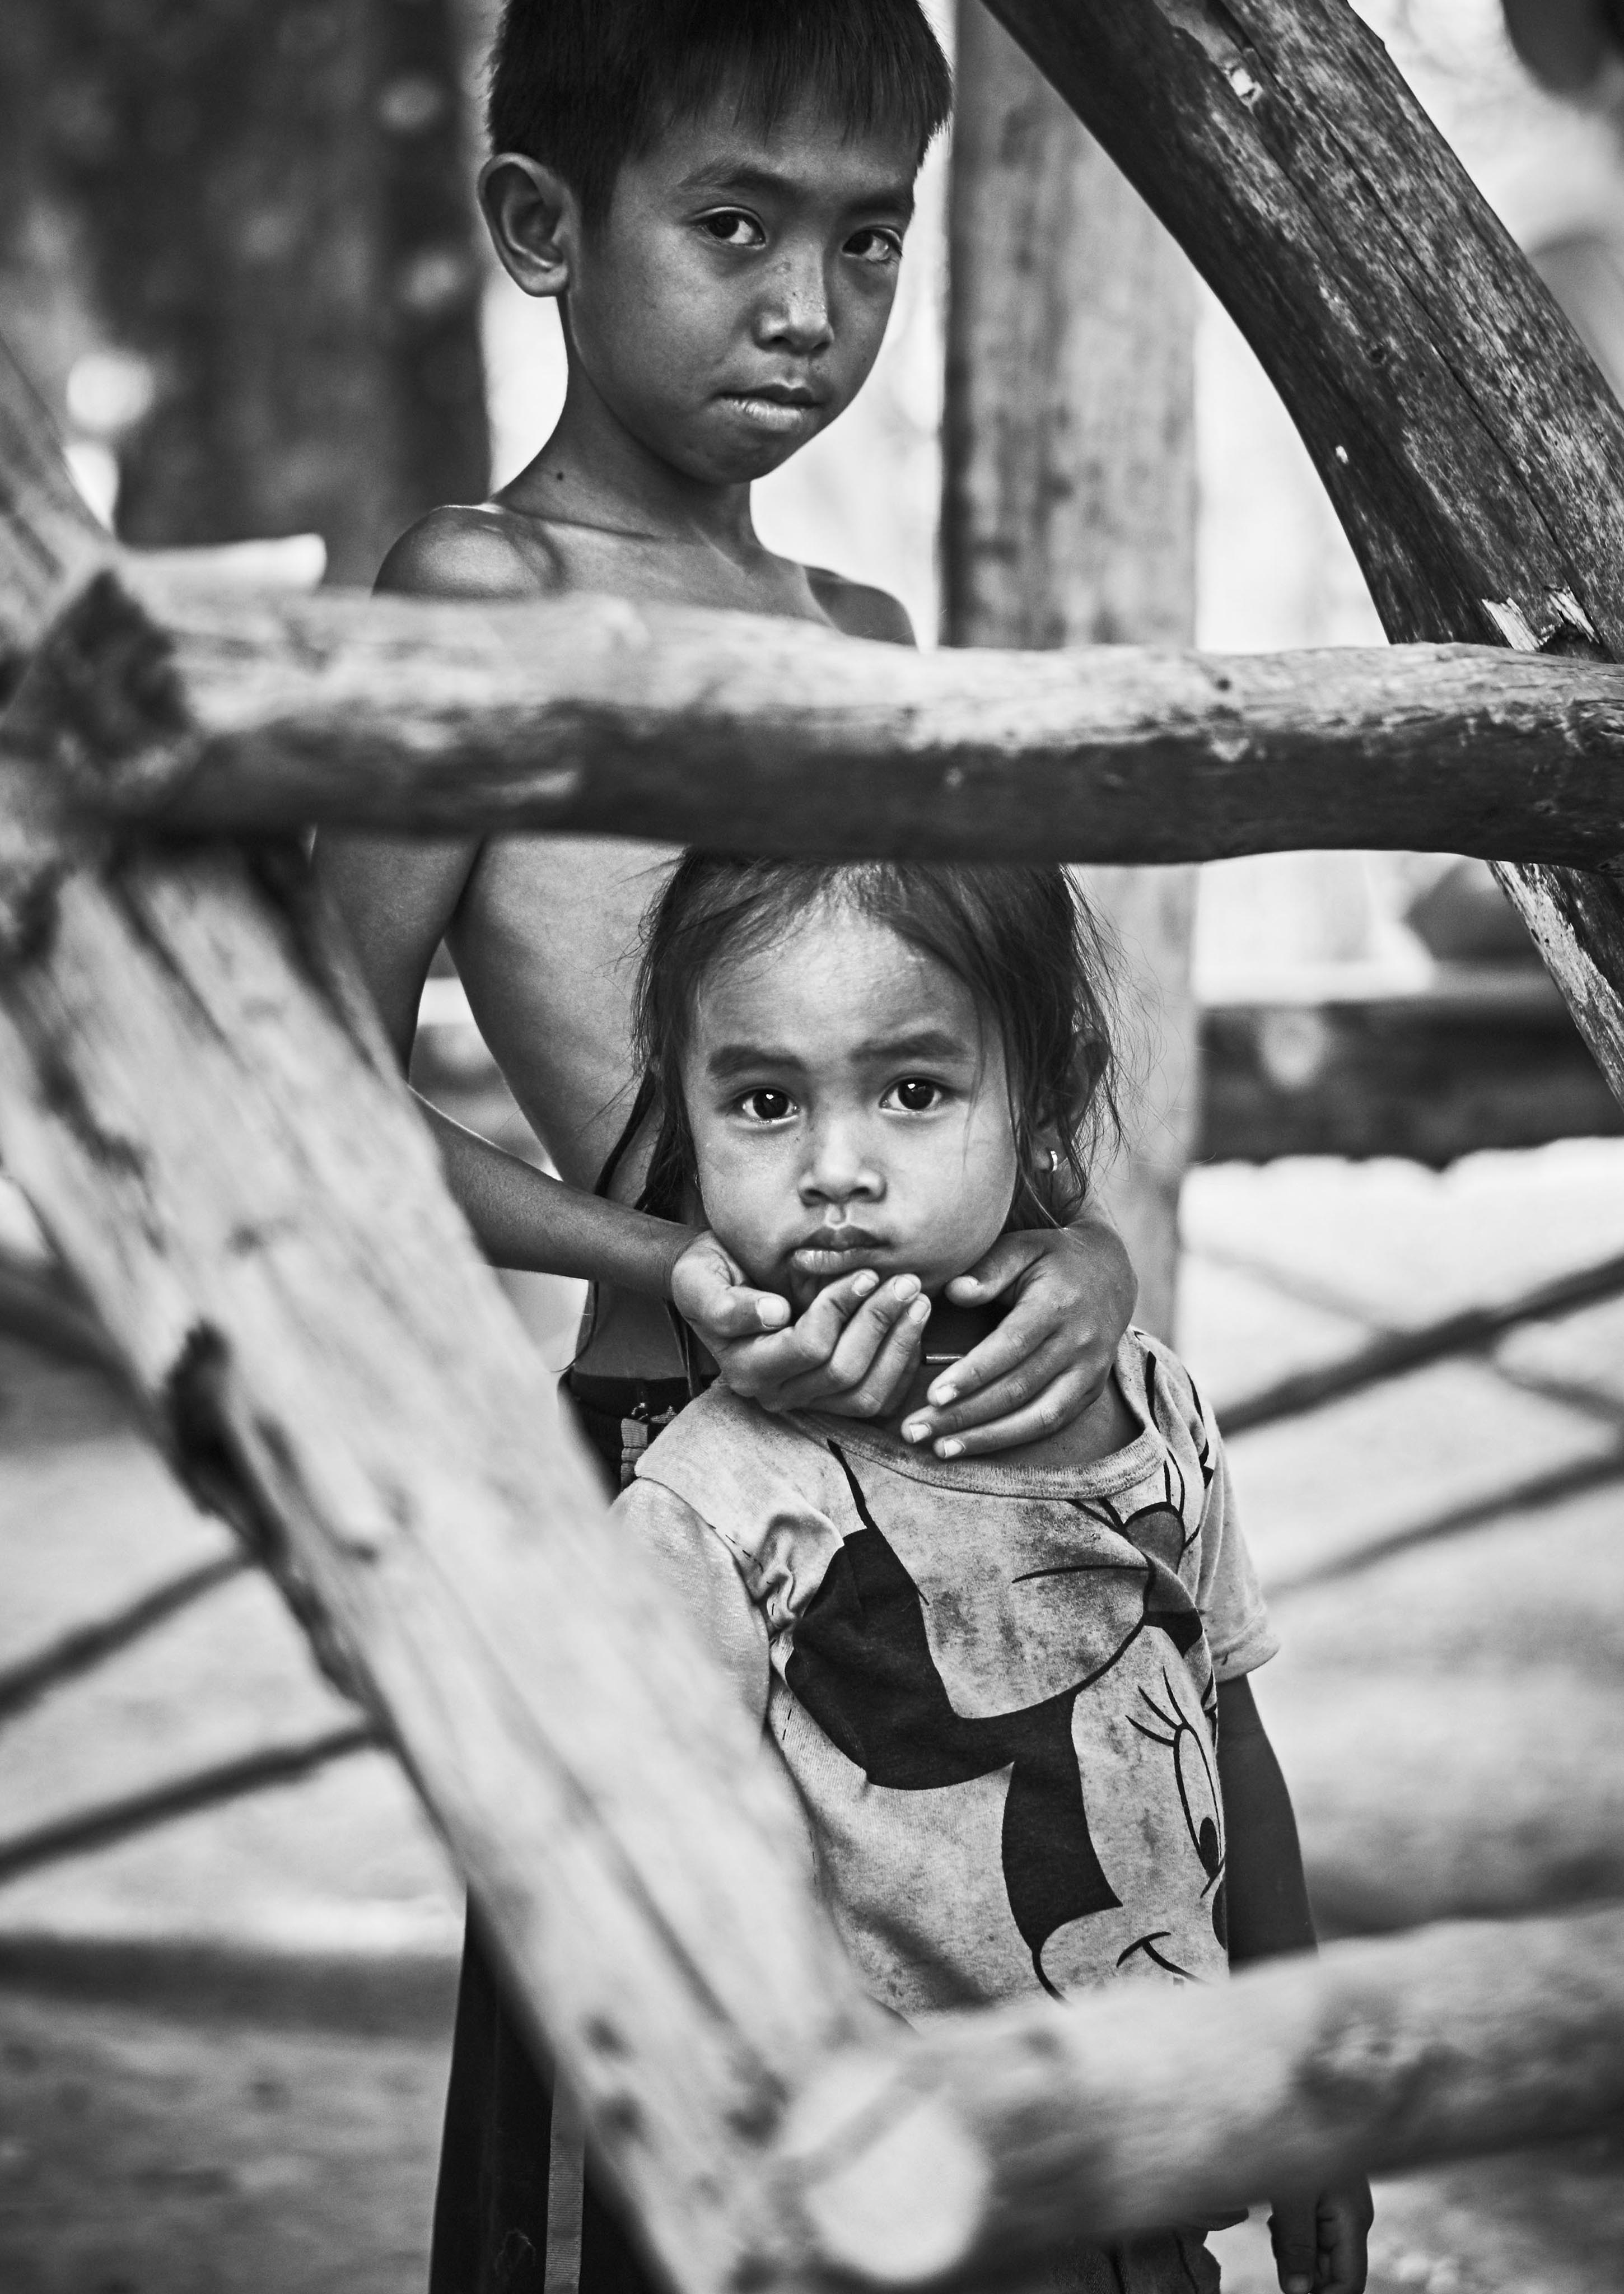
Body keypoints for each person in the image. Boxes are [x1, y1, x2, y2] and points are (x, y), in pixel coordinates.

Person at [311, 6, 1140, 2287]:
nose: (808, 306)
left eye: (865, 241)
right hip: (670, 1449)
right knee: (665, 2123)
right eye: (736, 226)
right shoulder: (476, 595)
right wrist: (646, 1257)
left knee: (986, 2025)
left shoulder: (862, 637)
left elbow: (958, 1069)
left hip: (968, 1456)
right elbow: (305, 1086)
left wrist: (1083, 1274)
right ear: (539, 228)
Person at [615, 855, 1375, 2294]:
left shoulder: (1154, 1411)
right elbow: (647, 1911)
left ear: (1046, 1090)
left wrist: (1303, 2084)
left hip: (1156, 2189)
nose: (835, 1165)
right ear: (688, 1112)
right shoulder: (712, 1506)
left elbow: (1225, 1730)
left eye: (912, 1089)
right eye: (764, 1101)